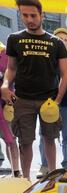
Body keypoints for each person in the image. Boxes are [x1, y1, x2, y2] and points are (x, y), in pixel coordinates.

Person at [1, 0, 67, 180]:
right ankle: (26, 181)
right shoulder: (14, 39)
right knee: (25, 143)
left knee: (50, 139)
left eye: (33, 15)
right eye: (25, 15)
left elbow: (65, 73)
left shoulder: (56, 43)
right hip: (22, 99)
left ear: (42, 15)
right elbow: (11, 68)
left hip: (49, 100)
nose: (29, 19)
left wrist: (59, 99)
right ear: (20, 14)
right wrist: (5, 85)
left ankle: (53, 177)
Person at [37, 27, 67, 176]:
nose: (63, 42)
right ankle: (44, 165)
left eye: (66, 40)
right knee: (45, 136)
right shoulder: (46, 57)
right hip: (48, 103)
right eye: (60, 39)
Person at [0, 41, 20, 177]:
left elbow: (12, 75)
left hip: (6, 103)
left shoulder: (4, 52)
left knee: (11, 139)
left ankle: (16, 172)